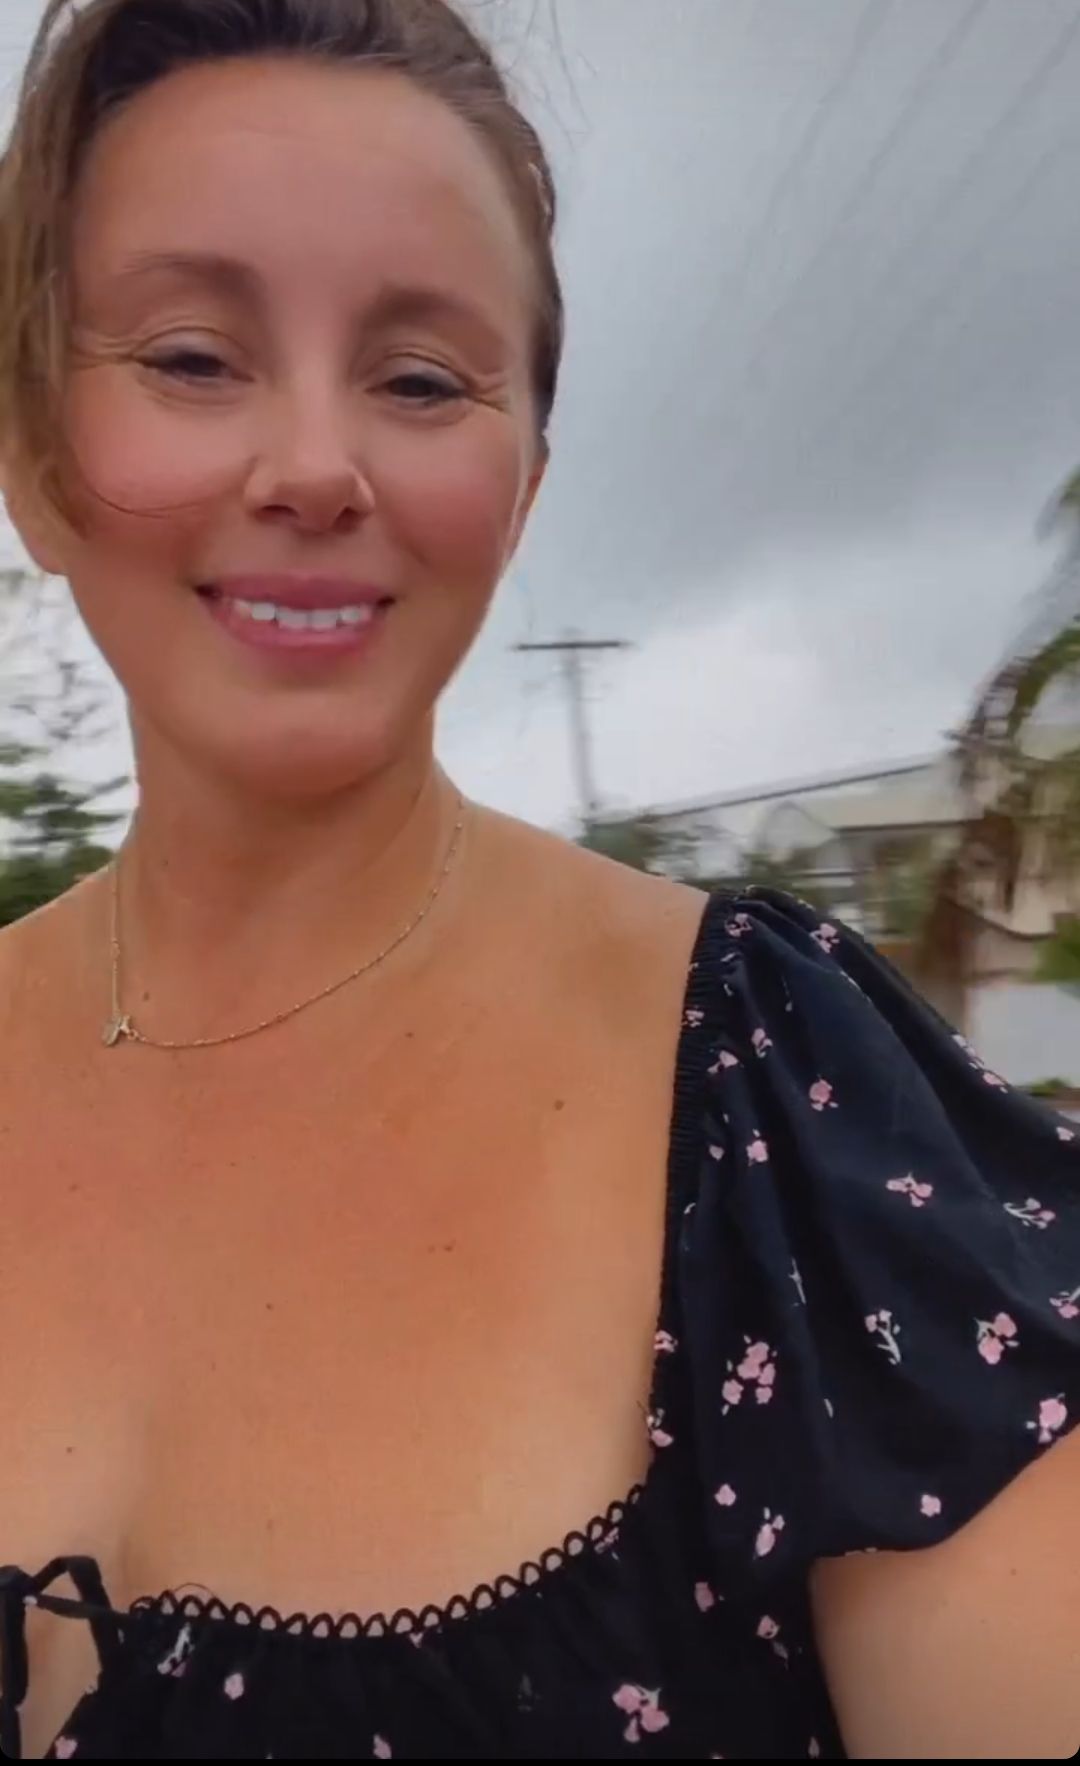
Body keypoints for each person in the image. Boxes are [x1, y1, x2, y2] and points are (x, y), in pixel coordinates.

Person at [0, 0, 1076, 1757]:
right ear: (37, 458)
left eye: (422, 379)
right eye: (193, 356)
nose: (316, 468)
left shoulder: (776, 1102)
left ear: (519, 491)